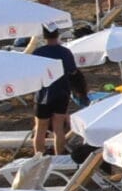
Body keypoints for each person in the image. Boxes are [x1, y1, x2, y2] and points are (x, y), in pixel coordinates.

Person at [29, 29, 85, 157]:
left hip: (42, 94)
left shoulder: (38, 52)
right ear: (58, 35)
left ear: (44, 36)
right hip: (61, 92)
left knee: (40, 129)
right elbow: (73, 71)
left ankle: (39, 158)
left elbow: (32, 73)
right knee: (58, 128)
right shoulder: (65, 52)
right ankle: (59, 157)